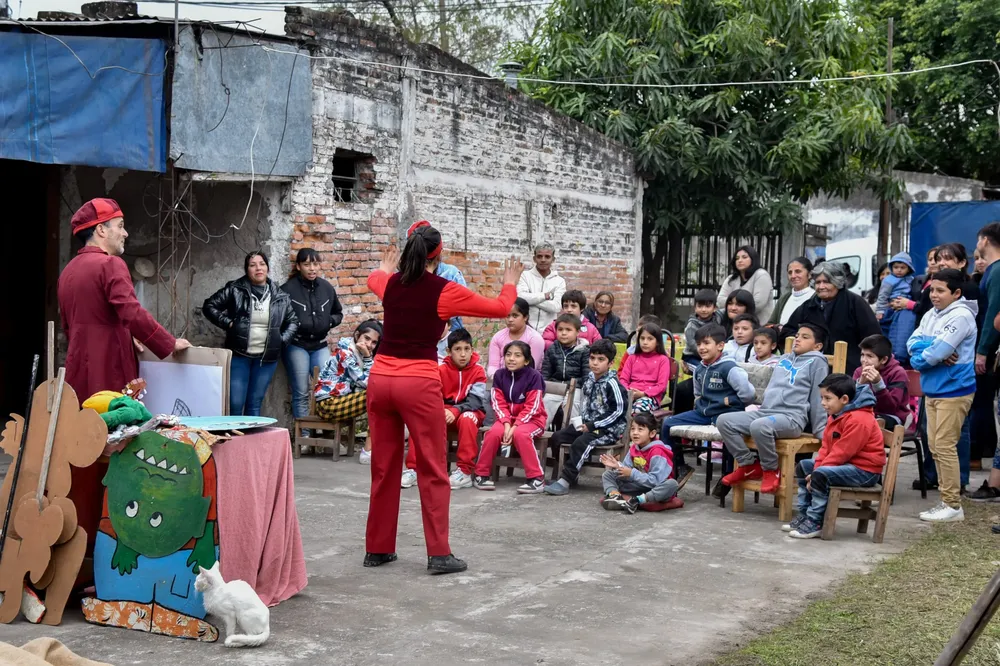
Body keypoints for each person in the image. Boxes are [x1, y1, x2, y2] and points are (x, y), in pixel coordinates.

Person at [363, 221, 521, 574]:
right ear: (439, 254)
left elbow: (376, 278)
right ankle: (438, 553)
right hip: (417, 382)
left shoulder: (390, 284)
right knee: (433, 467)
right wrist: (510, 281)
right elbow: (500, 308)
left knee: (384, 467)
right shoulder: (444, 290)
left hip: (380, 378)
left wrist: (383, 268)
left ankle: (377, 548)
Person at [58, 198, 190, 555]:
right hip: (110, 373)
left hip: (79, 371)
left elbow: (78, 323)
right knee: (117, 449)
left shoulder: (69, 271)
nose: (125, 233)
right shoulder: (110, 265)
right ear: (101, 230)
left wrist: (122, 332)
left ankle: (77, 540)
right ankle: (111, 543)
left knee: (82, 451)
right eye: (119, 225)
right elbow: (129, 310)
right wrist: (166, 341)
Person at [718, 322, 830, 494]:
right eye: (798, 335)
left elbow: (818, 398)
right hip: (766, 413)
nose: (798, 339)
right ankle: (748, 464)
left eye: (805, 337)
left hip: (792, 418)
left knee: (760, 426)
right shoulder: (784, 358)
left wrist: (820, 429)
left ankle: (771, 469)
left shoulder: (817, 362)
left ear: (818, 346)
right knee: (724, 420)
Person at [907, 268, 978, 523]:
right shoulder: (930, 314)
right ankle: (946, 500)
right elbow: (911, 343)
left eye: (940, 291)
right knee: (935, 446)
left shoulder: (961, 316)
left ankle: (952, 504)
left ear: (956, 293)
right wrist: (927, 350)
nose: (934, 295)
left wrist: (924, 356)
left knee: (945, 446)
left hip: (954, 390)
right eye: (932, 290)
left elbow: (939, 352)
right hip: (933, 388)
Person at [786, 375, 885, 539]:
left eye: (827, 398)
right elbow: (826, 447)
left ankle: (815, 521)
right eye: (822, 398)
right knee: (804, 466)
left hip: (865, 472)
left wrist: (817, 473)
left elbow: (842, 452)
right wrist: (815, 469)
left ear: (844, 399)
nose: (823, 403)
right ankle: (804, 514)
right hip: (846, 465)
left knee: (821, 475)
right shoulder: (837, 414)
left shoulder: (859, 419)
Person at [202, 251, 299, 416]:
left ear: (267, 268)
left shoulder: (280, 296)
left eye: (261, 264)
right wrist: (229, 323)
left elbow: (293, 321)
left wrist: (281, 340)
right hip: (239, 355)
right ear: (247, 270)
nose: (258, 268)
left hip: (266, 359)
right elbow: (209, 306)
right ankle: (235, 440)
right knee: (235, 403)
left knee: (254, 404)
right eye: (252, 265)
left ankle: (251, 441)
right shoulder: (235, 289)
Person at [661, 323, 755, 482]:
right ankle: (678, 468)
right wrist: (699, 404)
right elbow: (697, 393)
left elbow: (748, 394)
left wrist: (728, 402)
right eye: (698, 344)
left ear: (720, 346)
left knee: (729, 432)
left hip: (726, 416)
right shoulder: (699, 369)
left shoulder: (729, 368)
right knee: (667, 423)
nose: (701, 348)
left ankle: (727, 476)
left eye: (706, 343)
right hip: (703, 414)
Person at [403, 328, 487, 490]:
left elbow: (476, 401)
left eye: (466, 349)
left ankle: (464, 471)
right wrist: (441, 411)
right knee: (420, 420)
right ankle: (414, 468)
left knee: (468, 418)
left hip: (470, 412)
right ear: (448, 351)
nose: (463, 354)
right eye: (457, 349)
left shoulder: (478, 372)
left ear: (472, 350)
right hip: (444, 413)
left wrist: (455, 410)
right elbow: (431, 398)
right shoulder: (439, 371)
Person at [543, 340, 628, 496]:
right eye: (592, 358)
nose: (595, 363)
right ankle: (567, 474)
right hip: (586, 424)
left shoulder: (612, 384)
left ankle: (565, 481)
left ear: (610, 363)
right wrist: (584, 422)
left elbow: (618, 411)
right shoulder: (589, 379)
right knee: (557, 437)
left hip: (607, 430)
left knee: (580, 443)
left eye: (600, 359)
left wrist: (593, 425)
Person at [281, 248, 343, 435]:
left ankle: (326, 433)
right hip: (297, 345)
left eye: (315, 264)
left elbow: (338, 312)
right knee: (301, 391)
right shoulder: (287, 290)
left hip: (320, 345)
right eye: (307, 264)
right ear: (299, 266)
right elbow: (280, 318)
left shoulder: (326, 288)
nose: (312, 269)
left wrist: (329, 321)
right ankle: (305, 435)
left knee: (326, 388)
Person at [781, 261, 881, 376]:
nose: (821, 286)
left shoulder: (855, 303)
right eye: (818, 282)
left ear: (837, 283)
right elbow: (787, 332)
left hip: (850, 372)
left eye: (826, 282)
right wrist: (807, 342)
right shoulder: (808, 306)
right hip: (811, 370)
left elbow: (874, 338)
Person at [473, 340, 548, 493]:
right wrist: (507, 424)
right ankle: (481, 474)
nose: (511, 358)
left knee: (521, 434)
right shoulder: (500, 375)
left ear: (526, 360)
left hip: (533, 420)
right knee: (493, 433)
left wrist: (515, 426)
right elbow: (497, 403)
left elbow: (532, 407)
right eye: (508, 355)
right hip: (506, 419)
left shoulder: (534, 377)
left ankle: (536, 479)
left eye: (517, 355)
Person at [315, 320, 382, 462]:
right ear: (358, 335)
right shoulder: (346, 353)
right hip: (328, 404)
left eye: (374, 342)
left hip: (341, 400)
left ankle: (374, 447)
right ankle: (368, 451)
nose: (369, 345)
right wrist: (368, 358)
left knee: (381, 396)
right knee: (377, 395)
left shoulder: (357, 353)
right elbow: (369, 383)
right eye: (367, 338)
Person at [600, 411, 682, 513]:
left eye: (640, 429)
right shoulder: (634, 448)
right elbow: (627, 470)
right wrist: (618, 466)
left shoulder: (658, 452)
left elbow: (655, 481)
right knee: (608, 475)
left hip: (654, 490)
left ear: (652, 433)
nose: (635, 433)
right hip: (638, 486)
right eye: (633, 429)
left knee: (672, 484)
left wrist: (631, 473)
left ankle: (637, 500)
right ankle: (615, 496)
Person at [540, 313, 589, 427]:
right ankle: (540, 432)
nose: (564, 333)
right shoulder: (552, 349)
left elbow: (586, 374)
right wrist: (542, 389)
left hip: (576, 387)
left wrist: (580, 386)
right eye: (560, 329)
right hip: (555, 386)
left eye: (568, 330)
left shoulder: (584, 350)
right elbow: (546, 372)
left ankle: (571, 433)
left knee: (573, 404)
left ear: (577, 332)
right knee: (546, 403)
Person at [853, 334, 910, 428]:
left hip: (893, 417)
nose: (864, 360)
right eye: (862, 355)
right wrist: (860, 384)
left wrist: (878, 385)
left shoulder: (898, 373)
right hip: (866, 413)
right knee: (844, 416)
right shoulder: (859, 371)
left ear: (883, 359)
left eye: (869, 356)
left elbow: (891, 408)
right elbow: (852, 403)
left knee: (863, 421)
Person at [618, 322, 673, 414]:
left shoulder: (663, 360)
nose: (645, 342)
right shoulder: (632, 358)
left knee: (637, 410)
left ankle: (636, 428)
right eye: (642, 338)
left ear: (658, 342)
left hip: (650, 397)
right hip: (629, 394)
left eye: (650, 339)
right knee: (612, 406)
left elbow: (661, 386)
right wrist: (628, 392)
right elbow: (623, 379)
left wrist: (643, 394)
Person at [487, 297, 545, 378]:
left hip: (527, 382)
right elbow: (493, 366)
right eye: (508, 316)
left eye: (515, 316)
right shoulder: (498, 337)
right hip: (501, 380)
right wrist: (497, 378)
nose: (510, 320)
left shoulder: (535, 339)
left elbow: (531, 368)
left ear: (525, 317)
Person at [716, 245, 775, 323]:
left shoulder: (761, 275)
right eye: (737, 258)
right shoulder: (731, 279)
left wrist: (732, 304)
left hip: (759, 326)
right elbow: (720, 301)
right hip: (733, 326)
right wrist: (741, 305)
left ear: (753, 259)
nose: (740, 260)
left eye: (744, 257)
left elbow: (758, 304)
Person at [517, 242, 566, 331]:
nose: (543, 260)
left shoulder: (559, 281)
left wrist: (531, 300)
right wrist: (544, 296)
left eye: (547, 256)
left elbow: (556, 307)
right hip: (525, 329)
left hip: (548, 332)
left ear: (553, 259)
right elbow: (520, 298)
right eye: (539, 256)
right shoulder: (525, 276)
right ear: (534, 258)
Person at [768, 257, 815, 327]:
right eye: (790, 272)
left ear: (810, 274)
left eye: (798, 271)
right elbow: (771, 324)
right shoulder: (784, 298)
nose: (793, 276)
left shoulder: (815, 297)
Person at [683, 289, 721, 369]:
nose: (703, 310)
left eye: (708, 306)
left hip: (711, 356)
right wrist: (710, 355)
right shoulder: (691, 326)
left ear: (715, 307)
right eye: (700, 306)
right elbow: (693, 346)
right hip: (692, 357)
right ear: (695, 308)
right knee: (705, 370)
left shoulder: (717, 318)